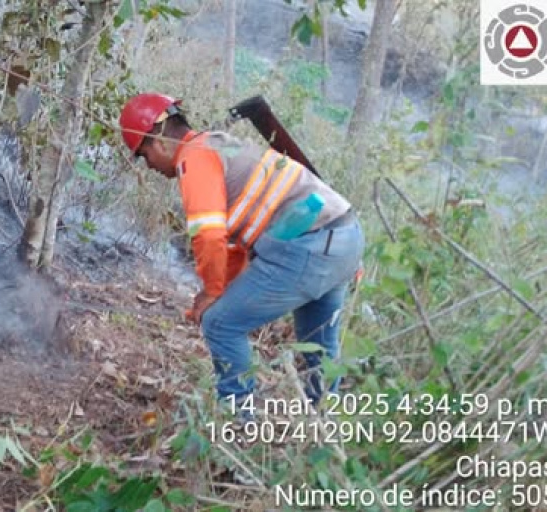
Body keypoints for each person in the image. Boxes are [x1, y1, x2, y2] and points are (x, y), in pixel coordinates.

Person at [118, 93, 365, 408]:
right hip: (345, 238)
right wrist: (218, 292)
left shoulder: (193, 159)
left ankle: (237, 421)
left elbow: (209, 236)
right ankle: (325, 422)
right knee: (318, 346)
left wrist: (212, 295)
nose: (149, 166)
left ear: (160, 140)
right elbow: (234, 248)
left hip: (310, 247)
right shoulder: (217, 145)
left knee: (220, 324)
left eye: (144, 155)